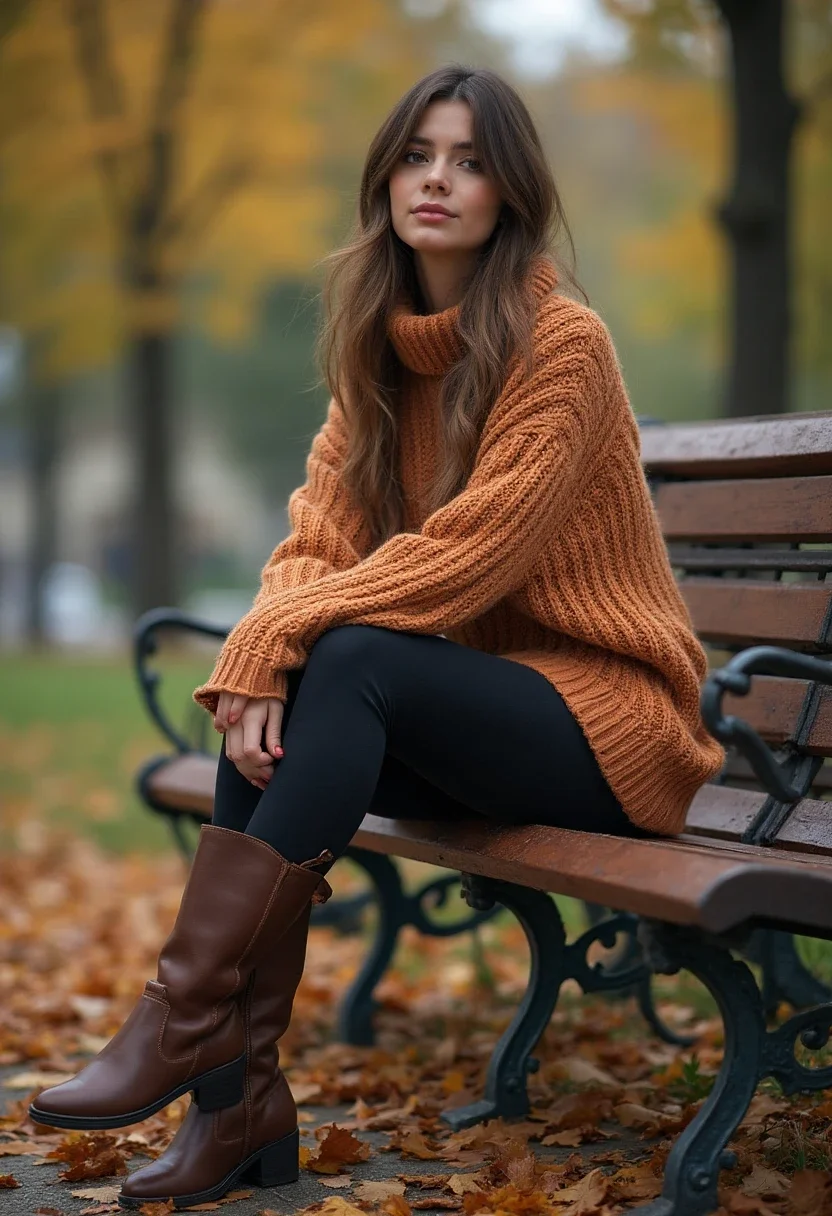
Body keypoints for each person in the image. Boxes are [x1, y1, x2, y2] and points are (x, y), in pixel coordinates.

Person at [29, 64, 726, 1209]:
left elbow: (468, 555)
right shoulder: (376, 347)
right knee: (285, 688)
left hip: (612, 724)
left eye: (467, 159)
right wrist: (263, 649)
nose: (437, 180)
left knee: (334, 655)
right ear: (385, 179)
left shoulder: (563, 343)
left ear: (511, 191)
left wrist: (277, 634)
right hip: (484, 706)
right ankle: (235, 1103)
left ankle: (182, 1015)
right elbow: (317, 540)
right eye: (416, 155)